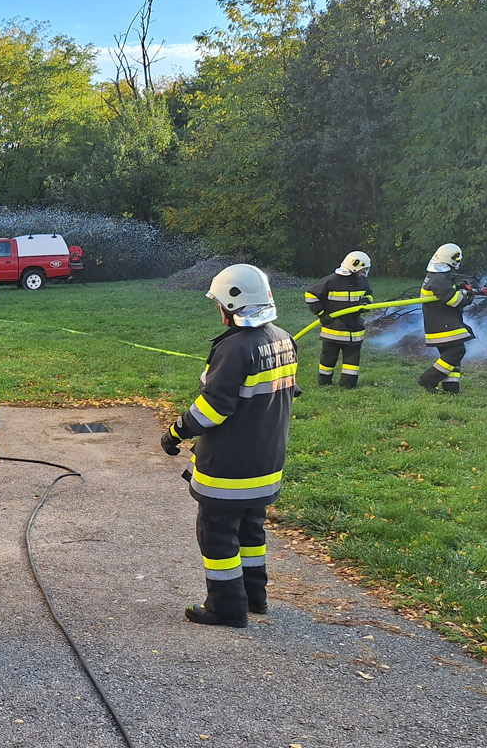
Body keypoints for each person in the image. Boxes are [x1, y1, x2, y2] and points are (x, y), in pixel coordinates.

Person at [160, 264, 298, 628]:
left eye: (219, 304)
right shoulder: (284, 339)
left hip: (229, 468)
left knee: (217, 534)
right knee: (251, 532)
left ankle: (226, 607)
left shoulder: (235, 349)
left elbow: (212, 409)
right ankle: (255, 597)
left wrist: (175, 432)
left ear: (232, 305)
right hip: (267, 464)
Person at [417, 243, 485, 394]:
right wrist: (469, 296)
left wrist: (461, 287)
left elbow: (448, 292)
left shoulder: (436, 276)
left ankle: (452, 388)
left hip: (441, 322)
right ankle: (428, 379)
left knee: (452, 356)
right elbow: (456, 301)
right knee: (457, 351)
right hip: (442, 324)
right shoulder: (439, 280)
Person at [304, 250, 373, 388]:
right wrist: (322, 314)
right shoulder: (331, 281)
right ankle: (324, 382)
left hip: (354, 331)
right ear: (354, 267)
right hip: (333, 330)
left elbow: (369, 295)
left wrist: (366, 303)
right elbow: (311, 295)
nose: (364, 272)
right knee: (328, 359)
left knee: (351, 362)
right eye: (362, 269)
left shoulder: (362, 282)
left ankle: (348, 385)